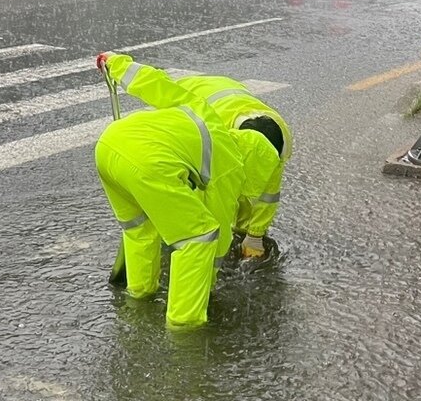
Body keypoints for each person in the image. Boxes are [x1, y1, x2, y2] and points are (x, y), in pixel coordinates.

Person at [94, 53, 280, 328]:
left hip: (109, 145)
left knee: (140, 230)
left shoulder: (208, 116)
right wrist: (208, 282)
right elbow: (218, 231)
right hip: (148, 163)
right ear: (258, 165)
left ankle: (139, 295)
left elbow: (157, 84)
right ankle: (184, 325)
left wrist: (117, 64)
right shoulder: (230, 164)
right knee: (199, 239)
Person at [100, 53, 289, 259]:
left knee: (237, 173)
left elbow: (267, 192)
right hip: (194, 91)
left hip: (227, 92)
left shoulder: (278, 140)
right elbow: (153, 84)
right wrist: (116, 63)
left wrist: (253, 235)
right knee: (192, 178)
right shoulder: (210, 124)